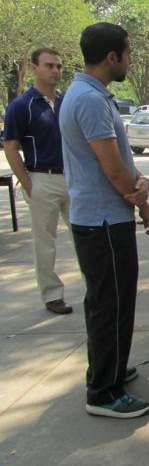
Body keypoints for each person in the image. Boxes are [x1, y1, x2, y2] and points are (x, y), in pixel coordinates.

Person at [59, 22, 149, 418]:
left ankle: (109, 368)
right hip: (102, 221)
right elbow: (114, 169)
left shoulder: (89, 94)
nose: (130, 61)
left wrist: (141, 196)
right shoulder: (89, 100)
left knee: (107, 301)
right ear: (111, 57)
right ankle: (104, 392)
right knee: (111, 303)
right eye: (128, 53)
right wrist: (142, 196)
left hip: (103, 217)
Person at [3, 48, 73, 314]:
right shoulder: (22, 106)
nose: (55, 71)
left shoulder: (67, 102)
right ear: (34, 68)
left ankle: (97, 288)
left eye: (58, 66)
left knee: (85, 235)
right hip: (41, 178)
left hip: (72, 178)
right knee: (45, 242)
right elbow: (11, 147)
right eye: (49, 66)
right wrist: (28, 183)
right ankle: (52, 294)